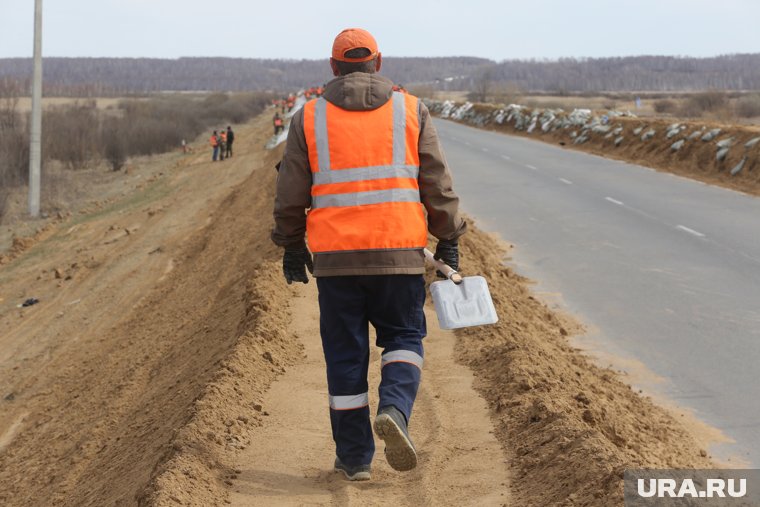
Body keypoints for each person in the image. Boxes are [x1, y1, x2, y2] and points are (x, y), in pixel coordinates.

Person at [271, 28, 465, 482]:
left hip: (337, 262)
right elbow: (436, 180)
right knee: (404, 338)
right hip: (399, 255)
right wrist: (449, 237)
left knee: (344, 356)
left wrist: (291, 243)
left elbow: (290, 190)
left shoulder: (309, 118)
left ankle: (355, 459)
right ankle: (395, 409)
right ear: (378, 63)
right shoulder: (411, 109)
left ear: (334, 68)